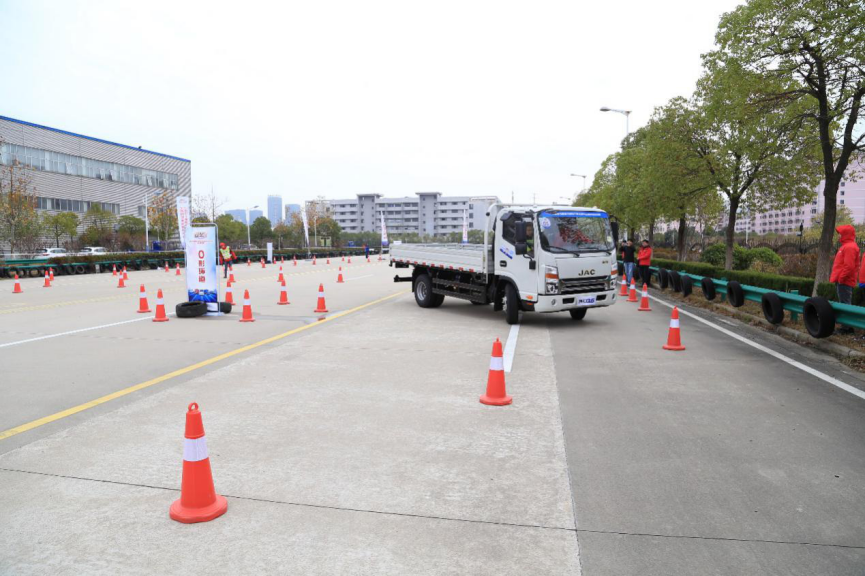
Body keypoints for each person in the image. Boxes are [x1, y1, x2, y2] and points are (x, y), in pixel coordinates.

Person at [831, 225, 859, 333]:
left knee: (845, 303)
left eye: (840, 233)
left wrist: (841, 279)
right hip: (843, 280)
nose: (839, 236)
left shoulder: (849, 247)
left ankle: (846, 328)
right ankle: (847, 326)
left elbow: (849, 266)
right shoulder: (846, 246)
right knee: (844, 302)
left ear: (846, 234)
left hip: (844, 281)